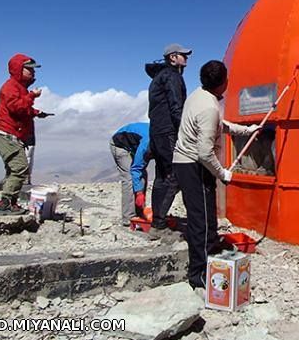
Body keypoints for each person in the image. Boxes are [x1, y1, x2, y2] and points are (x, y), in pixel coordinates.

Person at [173, 60, 259, 289]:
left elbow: (218, 124)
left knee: (207, 215)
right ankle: (198, 275)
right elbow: (204, 152)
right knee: (200, 219)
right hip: (193, 165)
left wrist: (245, 130)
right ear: (224, 83)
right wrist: (223, 174)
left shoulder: (198, 95)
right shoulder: (209, 107)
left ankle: (210, 257)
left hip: (186, 163)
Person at [0, 54, 53, 215]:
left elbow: (23, 110)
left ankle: (11, 203)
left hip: (11, 135)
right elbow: (16, 107)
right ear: (18, 69)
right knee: (20, 168)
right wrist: (32, 96)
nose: (33, 73)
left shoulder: (19, 88)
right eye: (29, 69)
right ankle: (4, 204)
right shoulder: (10, 87)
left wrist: (37, 113)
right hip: (5, 134)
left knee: (13, 170)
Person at [146, 43, 191, 235]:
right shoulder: (172, 77)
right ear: (173, 57)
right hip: (168, 132)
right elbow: (176, 106)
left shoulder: (158, 77)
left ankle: (158, 220)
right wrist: (187, 131)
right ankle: (159, 223)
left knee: (161, 176)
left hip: (156, 132)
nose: (186, 58)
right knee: (175, 174)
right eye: (183, 55)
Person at [109, 122, 151, 226]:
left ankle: (140, 213)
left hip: (134, 145)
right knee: (129, 178)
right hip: (120, 145)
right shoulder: (147, 143)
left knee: (143, 177)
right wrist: (139, 193)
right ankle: (128, 218)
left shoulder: (165, 141)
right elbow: (136, 169)